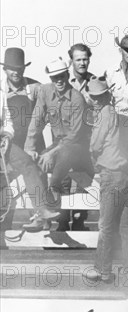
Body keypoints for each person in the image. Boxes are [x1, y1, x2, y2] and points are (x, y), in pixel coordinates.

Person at [24, 58, 93, 230]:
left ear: (67, 75)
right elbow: (36, 120)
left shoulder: (77, 99)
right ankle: (42, 214)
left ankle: (53, 194)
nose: (59, 81)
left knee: (61, 161)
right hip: (59, 143)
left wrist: (52, 153)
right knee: (34, 163)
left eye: (61, 76)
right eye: (55, 78)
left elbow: (74, 137)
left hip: (79, 146)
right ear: (51, 79)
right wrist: (30, 147)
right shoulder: (45, 91)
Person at [83, 78, 128, 283]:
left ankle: (103, 270)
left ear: (103, 96)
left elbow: (95, 146)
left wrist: (94, 161)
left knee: (106, 225)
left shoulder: (102, 116)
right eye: (95, 97)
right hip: (124, 176)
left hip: (110, 176)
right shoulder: (115, 114)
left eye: (97, 97)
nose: (96, 101)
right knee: (125, 225)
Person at [0, 48, 59, 230]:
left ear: (24, 69)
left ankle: (41, 218)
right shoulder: (1, 89)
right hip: (8, 148)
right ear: (5, 69)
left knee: (36, 173)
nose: (15, 72)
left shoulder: (35, 87)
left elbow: (52, 111)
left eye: (19, 68)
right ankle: (5, 231)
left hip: (30, 143)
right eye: (11, 68)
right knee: (4, 186)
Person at [67, 43, 96, 230]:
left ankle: (79, 220)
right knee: (62, 179)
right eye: (78, 59)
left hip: (87, 139)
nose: (82, 63)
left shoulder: (95, 81)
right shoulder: (63, 80)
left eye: (85, 59)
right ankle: (61, 221)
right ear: (71, 61)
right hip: (66, 138)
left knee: (84, 179)